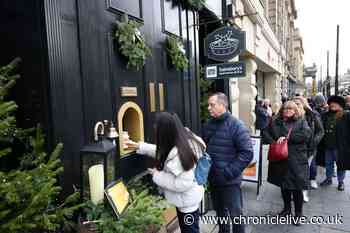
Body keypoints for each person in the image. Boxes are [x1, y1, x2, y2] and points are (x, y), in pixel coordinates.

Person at [126, 112, 205, 233]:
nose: (155, 131)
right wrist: (139, 147)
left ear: (165, 131)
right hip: (187, 199)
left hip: (187, 202)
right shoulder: (183, 139)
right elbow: (165, 152)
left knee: (190, 229)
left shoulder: (180, 154)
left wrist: (157, 175)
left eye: (157, 129)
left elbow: (182, 184)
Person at [202, 92, 253, 233]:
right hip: (213, 179)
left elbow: (247, 153)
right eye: (208, 105)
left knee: (235, 214)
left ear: (222, 105)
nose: (208, 108)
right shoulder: (208, 125)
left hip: (229, 181)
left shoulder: (237, 125)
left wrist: (228, 172)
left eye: (212, 105)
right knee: (220, 212)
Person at [263, 101, 312, 225]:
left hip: (296, 160)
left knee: (297, 188)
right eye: (285, 109)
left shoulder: (301, 121)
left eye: (291, 109)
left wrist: (287, 138)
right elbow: (265, 133)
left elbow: (307, 135)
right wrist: (274, 142)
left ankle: (298, 214)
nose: (288, 111)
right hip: (280, 159)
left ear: (296, 111)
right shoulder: (276, 121)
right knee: (284, 186)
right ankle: (286, 210)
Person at [293, 96, 324, 202]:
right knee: (295, 172)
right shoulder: (291, 115)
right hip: (294, 149)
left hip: (308, 149)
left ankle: (303, 192)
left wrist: (313, 142)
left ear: (304, 104)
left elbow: (320, 131)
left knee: (304, 171)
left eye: (298, 103)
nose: (296, 105)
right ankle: (296, 191)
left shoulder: (312, 115)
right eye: (294, 103)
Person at [319, 96, 347, 191]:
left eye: (335, 103)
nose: (332, 105)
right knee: (328, 164)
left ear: (340, 105)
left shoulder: (345, 116)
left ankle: (340, 182)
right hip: (328, 145)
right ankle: (328, 179)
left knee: (341, 165)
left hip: (340, 146)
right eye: (331, 103)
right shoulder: (325, 115)